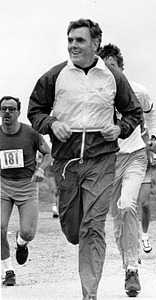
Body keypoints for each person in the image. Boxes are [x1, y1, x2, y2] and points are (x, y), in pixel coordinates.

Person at [27, 18, 143, 300]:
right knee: (73, 230)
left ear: (95, 44)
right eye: (70, 40)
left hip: (101, 159)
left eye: (79, 40)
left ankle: (89, 294)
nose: (73, 46)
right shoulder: (55, 76)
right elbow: (35, 111)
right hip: (66, 163)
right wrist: (52, 123)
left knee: (93, 225)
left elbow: (133, 113)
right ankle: (75, 233)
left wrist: (119, 128)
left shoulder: (113, 77)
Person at [98, 43, 156, 297]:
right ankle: (129, 263)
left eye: (114, 67)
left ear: (121, 68)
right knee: (116, 221)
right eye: (105, 67)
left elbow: (151, 112)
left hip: (135, 157)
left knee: (127, 206)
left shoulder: (137, 90)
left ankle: (132, 269)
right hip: (108, 161)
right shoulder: (98, 93)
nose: (110, 72)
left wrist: (154, 136)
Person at [0, 96, 52, 286]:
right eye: (3, 109)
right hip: (3, 185)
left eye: (11, 109)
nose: (7, 112)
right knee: (0, 227)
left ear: (18, 112)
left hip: (27, 185)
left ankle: (21, 242)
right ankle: (9, 271)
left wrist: (40, 169)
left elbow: (49, 154)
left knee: (29, 232)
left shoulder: (30, 133)